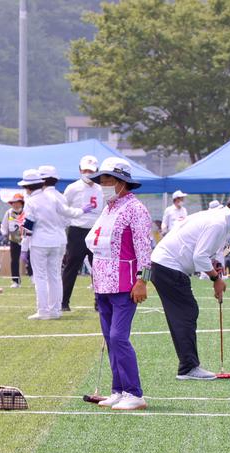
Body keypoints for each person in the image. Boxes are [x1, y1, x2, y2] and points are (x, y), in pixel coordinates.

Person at [150, 186, 230, 379]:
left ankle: (188, 366)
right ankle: (188, 368)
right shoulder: (218, 222)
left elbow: (210, 252)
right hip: (168, 266)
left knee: (185, 313)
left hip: (166, 265)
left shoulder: (222, 220)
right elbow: (199, 257)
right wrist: (216, 279)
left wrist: (216, 270)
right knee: (187, 312)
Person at [86, 157, 154, 410]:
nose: (102, 184)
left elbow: (144, 248)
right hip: (102, 283)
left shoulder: (136, 209)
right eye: (101, 180)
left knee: (118, 337)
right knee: (109, 336)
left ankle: (134, 393)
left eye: (107, 180)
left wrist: (142, 281)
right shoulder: (109, 207)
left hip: (125, 283)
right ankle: (118, 390)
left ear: (122, 182)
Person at [25, 165, 82, 320]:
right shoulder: (57, 197)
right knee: (55, 275)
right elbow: (68, 215)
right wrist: (83, 211)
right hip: (58, 240)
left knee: (41, 277)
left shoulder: (31, 201)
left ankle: (43, 311)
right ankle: (55, 310)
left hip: (40, 241)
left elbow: (28, 226)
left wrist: (23, 233)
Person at [61, 155, 102, 310]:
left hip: (96, 232)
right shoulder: (73, 188)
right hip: (77, 231)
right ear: (79, 170)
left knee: (98, 268)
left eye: (91, 171)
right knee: (72, 266)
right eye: (85, 170)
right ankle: (64, 302)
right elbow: (63, 209)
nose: (88, 173)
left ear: (97, 171)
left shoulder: (101, 189)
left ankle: (99, 302)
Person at [0, 193, 26, 288]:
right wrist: (4, 235)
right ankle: (16, 280)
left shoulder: (27, 212)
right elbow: (4, 225)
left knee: (31, 258)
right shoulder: (8, 212)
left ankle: (33, 277)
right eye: (14, 203)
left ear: (22, 203)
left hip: (26, 239)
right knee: (14, 260)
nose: (15, 205)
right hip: (14, 240)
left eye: (18, 202)